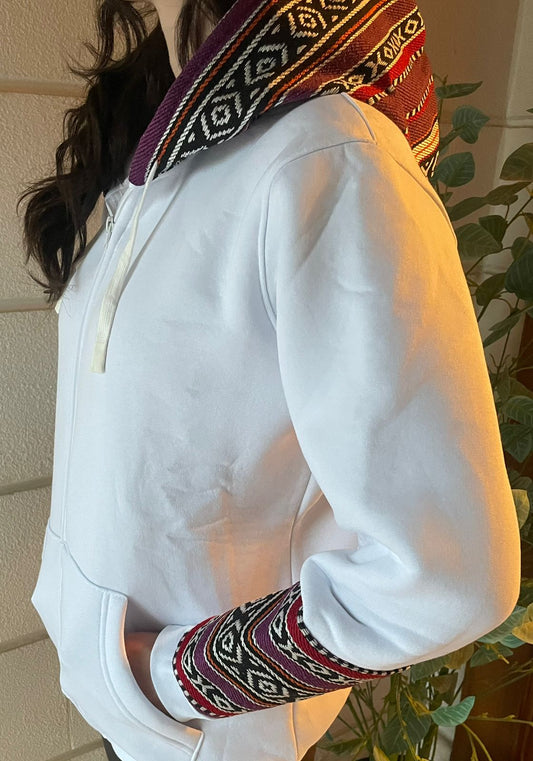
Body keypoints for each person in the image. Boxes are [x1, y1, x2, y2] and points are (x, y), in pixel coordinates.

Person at [19, 1, 521, 761]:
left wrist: (175, 677)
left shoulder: (332, 157)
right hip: (137, 721)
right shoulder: (170, 138)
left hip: (205, 734)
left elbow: (450, 576)